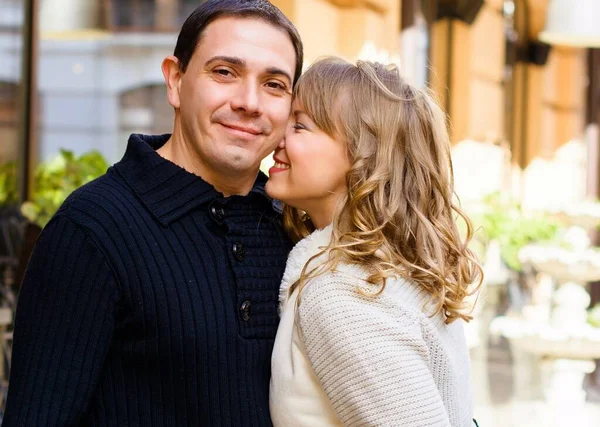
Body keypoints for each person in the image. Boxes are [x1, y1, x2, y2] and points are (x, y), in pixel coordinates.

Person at [3, 1, 302, 426]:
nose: (250, 102)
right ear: (175, 81)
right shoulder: (91, 230)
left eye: (274, 84)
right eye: (224, 72)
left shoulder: (292, 226)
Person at [267, 57, 483, 426]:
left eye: (299, 126)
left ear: (363, 155)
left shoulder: (343, 292)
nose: (277, 136)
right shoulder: (387, 267)